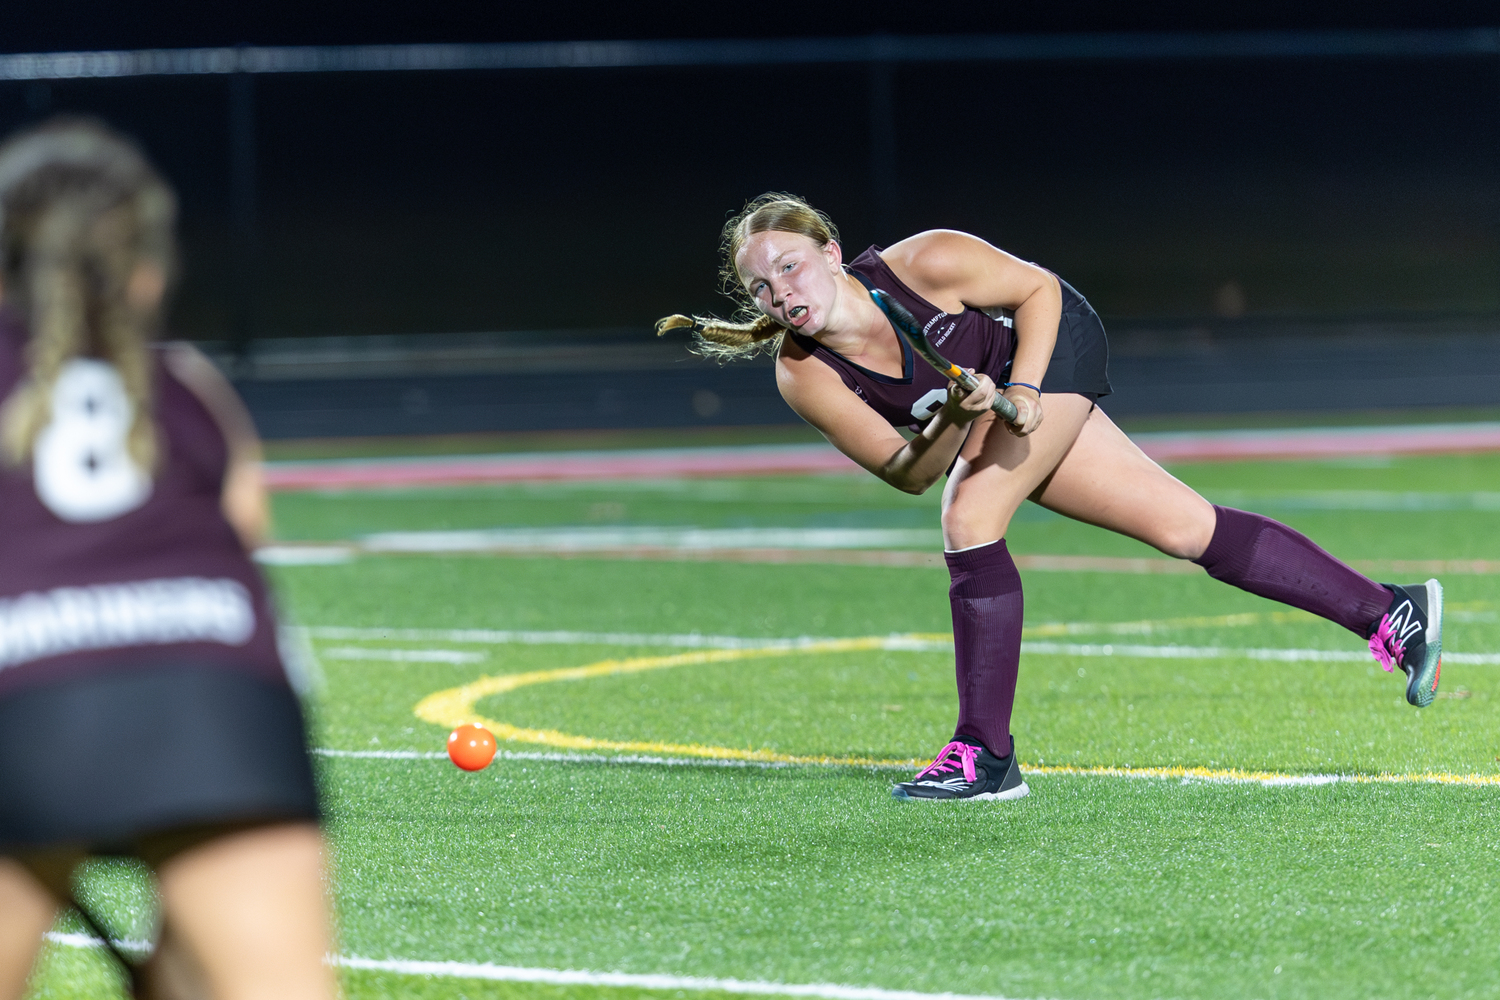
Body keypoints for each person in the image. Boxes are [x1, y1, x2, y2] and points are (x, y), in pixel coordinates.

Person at [658, 193, 1443, 802]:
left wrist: (1026, 387)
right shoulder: (802, 371)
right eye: (762, 286)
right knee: (1183, 528)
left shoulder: (925, 262)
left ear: (830, 252)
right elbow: (906, 467)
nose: (781, 292)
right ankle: (1391, 612)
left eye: (791, 266)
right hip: (996, 408)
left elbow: (1039, 292)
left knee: (970, 518)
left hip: (1058, 341)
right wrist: (957, 420)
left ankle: (985, 755)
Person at [0, 120, 335, 999]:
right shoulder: (189, 383)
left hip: (24, 692)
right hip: (217, 693)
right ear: (147, 270)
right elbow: (245, 532)